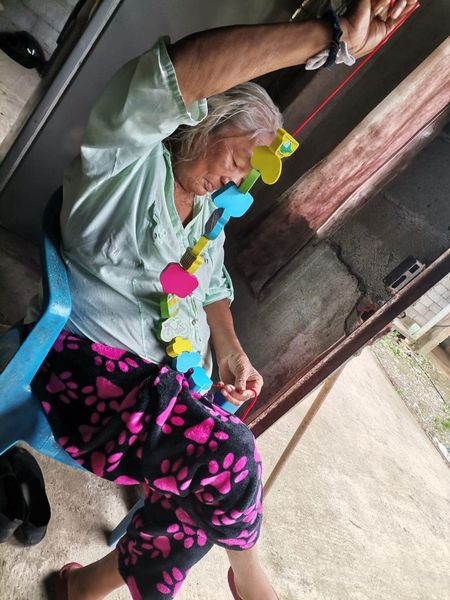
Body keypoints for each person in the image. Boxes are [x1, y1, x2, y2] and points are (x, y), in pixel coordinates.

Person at [29, 0, 417, 598]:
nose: (237, 179)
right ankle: (251, 578)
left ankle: (84, 590)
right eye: (239, 158)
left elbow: (208, 286)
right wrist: (332, 37)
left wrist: (231, 352)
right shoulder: (121, 165)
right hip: (94, 384)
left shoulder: (209, 211)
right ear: (204, 120)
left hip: (165, 390)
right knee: (232, 457)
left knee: (212, 489)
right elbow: (177, 74)